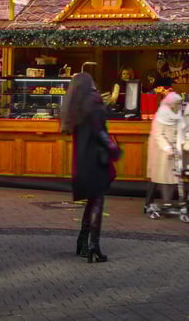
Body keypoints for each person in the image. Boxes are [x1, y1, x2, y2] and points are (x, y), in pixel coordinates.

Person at [61, 72, 119, 263]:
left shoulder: (75, 105)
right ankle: (94, 245)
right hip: (96, 158)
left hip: (82, 159)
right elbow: (100, 131)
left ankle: (82, 241)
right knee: (98, 201)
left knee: (93, 200)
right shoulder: (94, 101)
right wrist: (113, 148)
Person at [144, 90, 182, 211]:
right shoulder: (161, 114)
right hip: (159, 150)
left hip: (171, 149)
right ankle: (149, 203)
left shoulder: (177, 113)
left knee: (169, 176)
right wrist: (167, 148)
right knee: (156, 176)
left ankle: (167, 203)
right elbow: (158, 134)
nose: (179, 106)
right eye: (177, 104)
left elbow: (180, 129)